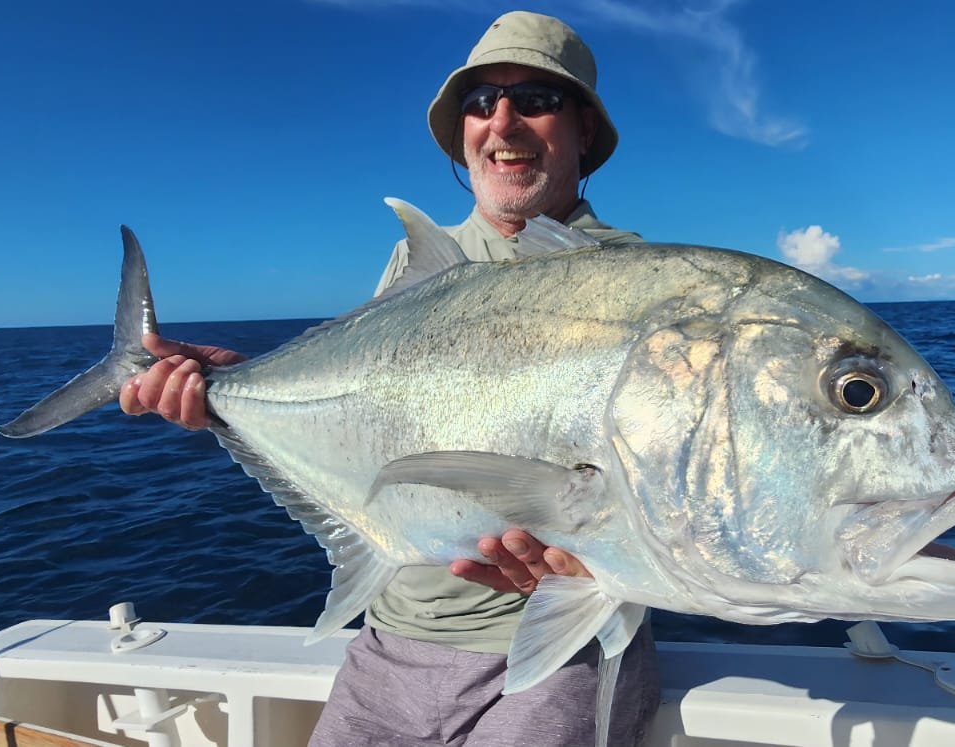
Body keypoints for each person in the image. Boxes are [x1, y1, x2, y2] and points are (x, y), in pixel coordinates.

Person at [118, 11, 661, 746]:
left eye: (536, 98)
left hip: (559, 651)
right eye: (480, 102)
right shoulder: (415, 266)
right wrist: (230, 393)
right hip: (389, 640)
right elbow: (365, 409)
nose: (503, 121)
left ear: (584, 129)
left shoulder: (638, 287)